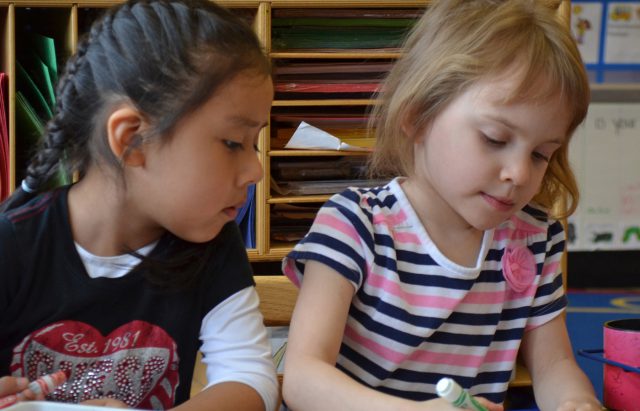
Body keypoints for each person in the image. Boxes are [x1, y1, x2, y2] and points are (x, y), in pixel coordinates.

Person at [281, 1, 602, 410]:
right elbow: (304, 378)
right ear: (417, 117)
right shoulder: (354, 223)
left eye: (541, 154)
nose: (520, 173)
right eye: (494, 138)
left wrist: (576, 401)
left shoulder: (536, 239)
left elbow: (554, 365)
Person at [0, 0, 277, 410]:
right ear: (132, 140)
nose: (255, 171)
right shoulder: (12, 245)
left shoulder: (214, 245)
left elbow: (251, 380)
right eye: (234, 143)